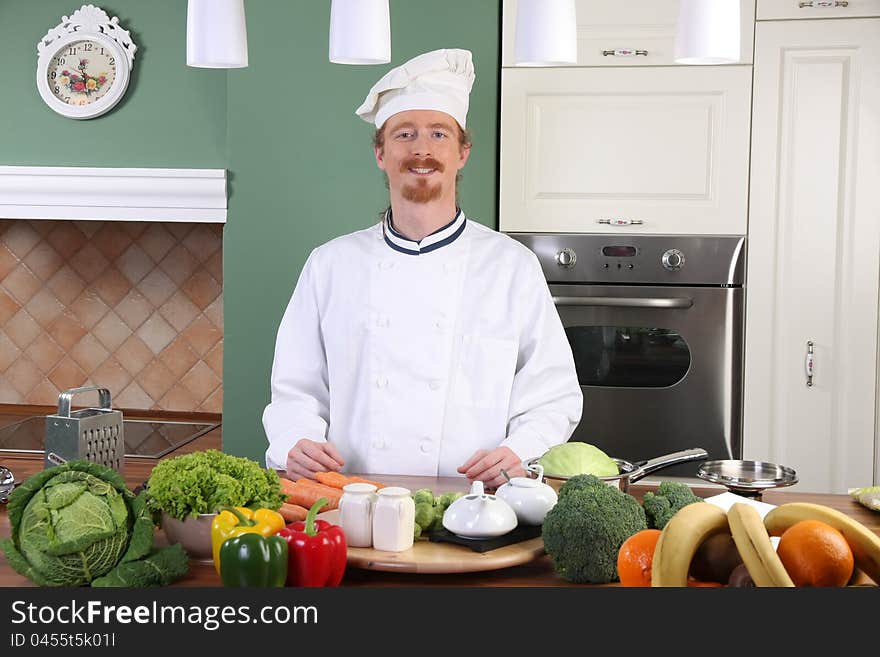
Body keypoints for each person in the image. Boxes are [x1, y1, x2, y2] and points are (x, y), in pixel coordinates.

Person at [263, 48, 582, 488]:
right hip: (352, 503)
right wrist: (295, 441)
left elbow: (553, 392)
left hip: (476, 506)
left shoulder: (512, 268)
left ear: (463, 152)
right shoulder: (330, 265)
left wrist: (520, 451)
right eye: (404, 134)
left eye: (438, 134)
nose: (421, 150)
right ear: (380, 152)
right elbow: (295, 389)